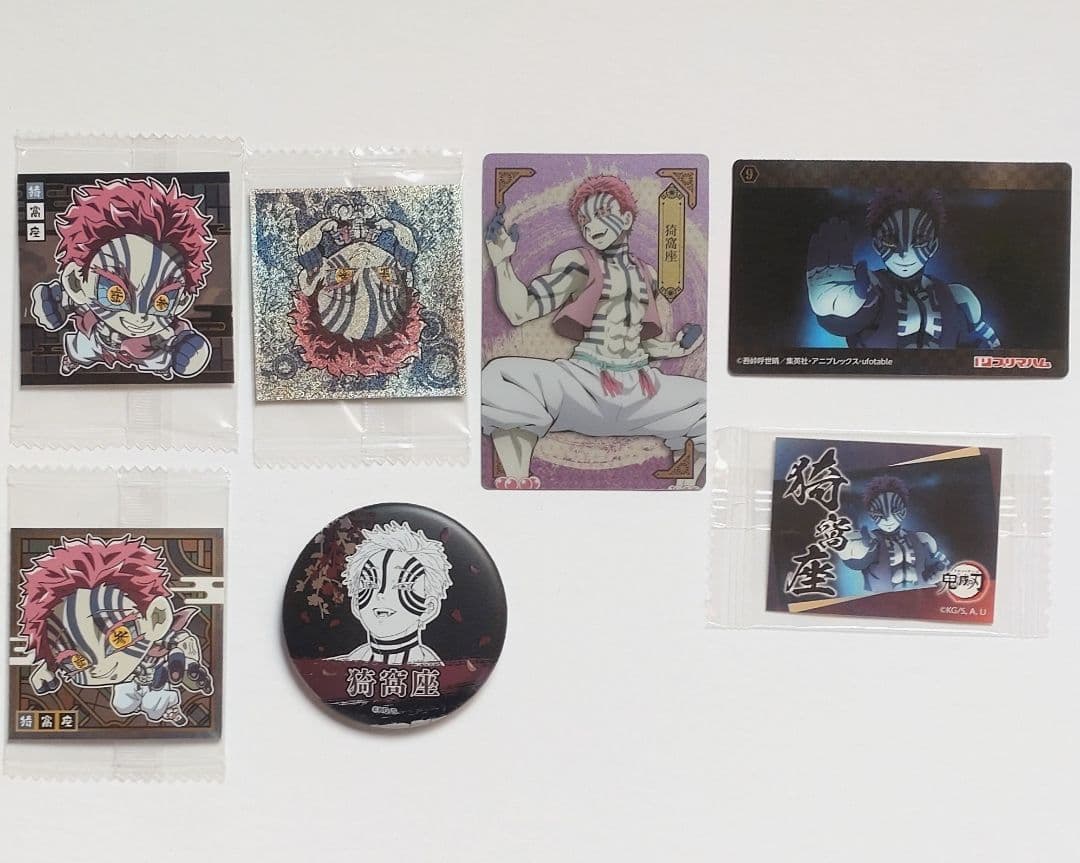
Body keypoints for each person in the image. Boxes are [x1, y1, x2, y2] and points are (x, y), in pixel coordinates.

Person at [481, 175, 706, 489]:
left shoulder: (648, 274)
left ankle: (686, 485)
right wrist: (502, 262)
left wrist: (676, 348)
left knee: (705, 401)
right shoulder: (579, 264)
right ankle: (517, 479)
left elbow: (642, 342)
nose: (591, 226)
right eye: (585, 220)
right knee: (499, 376)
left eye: (602, 214)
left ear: (626, 219)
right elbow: (522, 310)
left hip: (641, 390)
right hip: (585, 386)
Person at [30, 177, 216, 379]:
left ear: (181, 302)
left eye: (162, 302)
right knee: (81, 349)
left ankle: (158, 370)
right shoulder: (85, 299)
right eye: (114, 294)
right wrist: (53, 302)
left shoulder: (162, 330)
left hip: (146, 351)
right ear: (76, 282)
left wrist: (188, 349)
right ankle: (73, 361)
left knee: (157, 361)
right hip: (97, 339)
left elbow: (182, 337)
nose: (139, 317)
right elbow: (61, 301)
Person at [18, 535, 213, 725]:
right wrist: (50, 666)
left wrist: (188, 665)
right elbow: (55, 655)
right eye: (78, 661)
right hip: (128, 683)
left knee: (155, 703)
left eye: (120, 637)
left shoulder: (161, 640)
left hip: (157, 677)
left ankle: (169, 709)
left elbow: (183, 643)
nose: (100, 668)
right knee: (123, 704)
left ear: (155, 619)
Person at [807, 189, 1001, 349]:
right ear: (876, 245)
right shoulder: (870, 290)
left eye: (920, 240)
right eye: (891, 240)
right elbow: (851, 317)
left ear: (933, 246)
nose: (904, 252)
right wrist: (833, 311)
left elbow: (989, 354)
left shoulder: (959, 298)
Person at [337, 522, 452, 665]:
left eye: (402, 585)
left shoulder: (440, 674)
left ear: (429, 607)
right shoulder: (338, 668)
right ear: (355, 603)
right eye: (370, 584)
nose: (381, 594)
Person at [834, 476, 950, 591]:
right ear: (871, 514)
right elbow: (856, 562)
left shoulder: (923, 539)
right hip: (882, 600)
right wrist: (853, 548)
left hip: (921, 597)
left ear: (904, 510)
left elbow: (942, 566)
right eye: (879, 512)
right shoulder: (871, 541)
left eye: (894, 510)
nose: (887, 517)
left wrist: (939, 573)